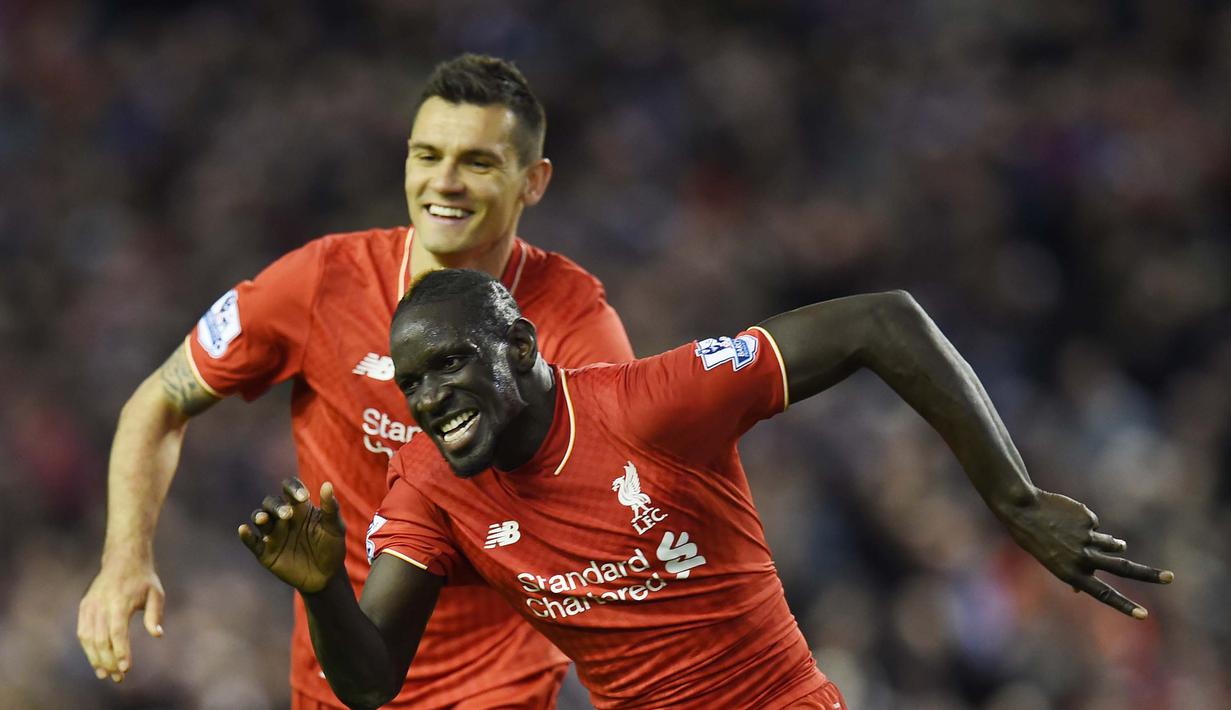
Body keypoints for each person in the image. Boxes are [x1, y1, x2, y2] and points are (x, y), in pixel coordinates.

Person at [240, 268, 1174, 709]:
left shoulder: (652, 405)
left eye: (449, 365)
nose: (429, 399)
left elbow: (881, 322)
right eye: (412, 384)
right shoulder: (430, 480)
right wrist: (324, 588)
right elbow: (370, 681)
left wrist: (1013, 501)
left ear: (521, 347)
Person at [77, 55, 634, 709]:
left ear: (532, 181)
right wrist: (124, 559)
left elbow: (616, 495)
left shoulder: (572, 318)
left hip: (498, 682)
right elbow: (161, 400)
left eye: (478, 163)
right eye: (427, 155)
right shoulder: (322, 282)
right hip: (335, 676)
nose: (444, 182)